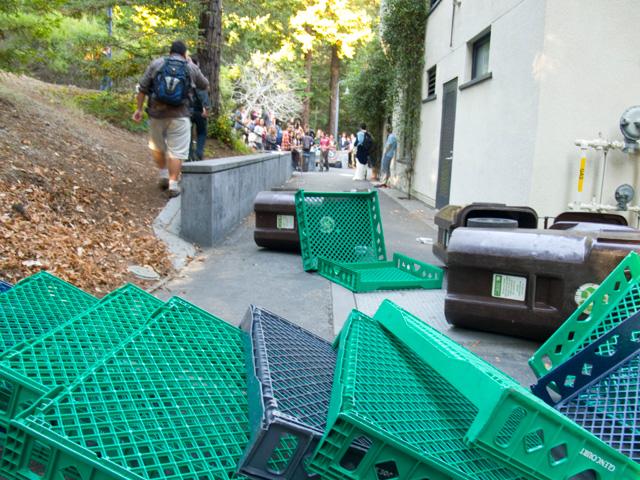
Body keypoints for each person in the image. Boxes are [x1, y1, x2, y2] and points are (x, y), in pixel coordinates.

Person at [133, 39, 209, 197]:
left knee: (157, 146)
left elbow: (143, 87)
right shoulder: (190, 67)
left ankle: (163, 175)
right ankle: (173, 185)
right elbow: (205, 85)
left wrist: (139, 109)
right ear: (184, 54)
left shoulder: (157, 63)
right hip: (180, 115)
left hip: (156, 113)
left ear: (169, 52)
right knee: (178, 152)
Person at [188, 55, 210, 162]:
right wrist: (205, 108)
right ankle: (199, 152)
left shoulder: (186, 74)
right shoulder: (198, 75)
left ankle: (190, 154)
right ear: (197, 64)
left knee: (189, 132)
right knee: (201, 132)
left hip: (188, 109)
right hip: (199, 110)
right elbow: (202, 93)